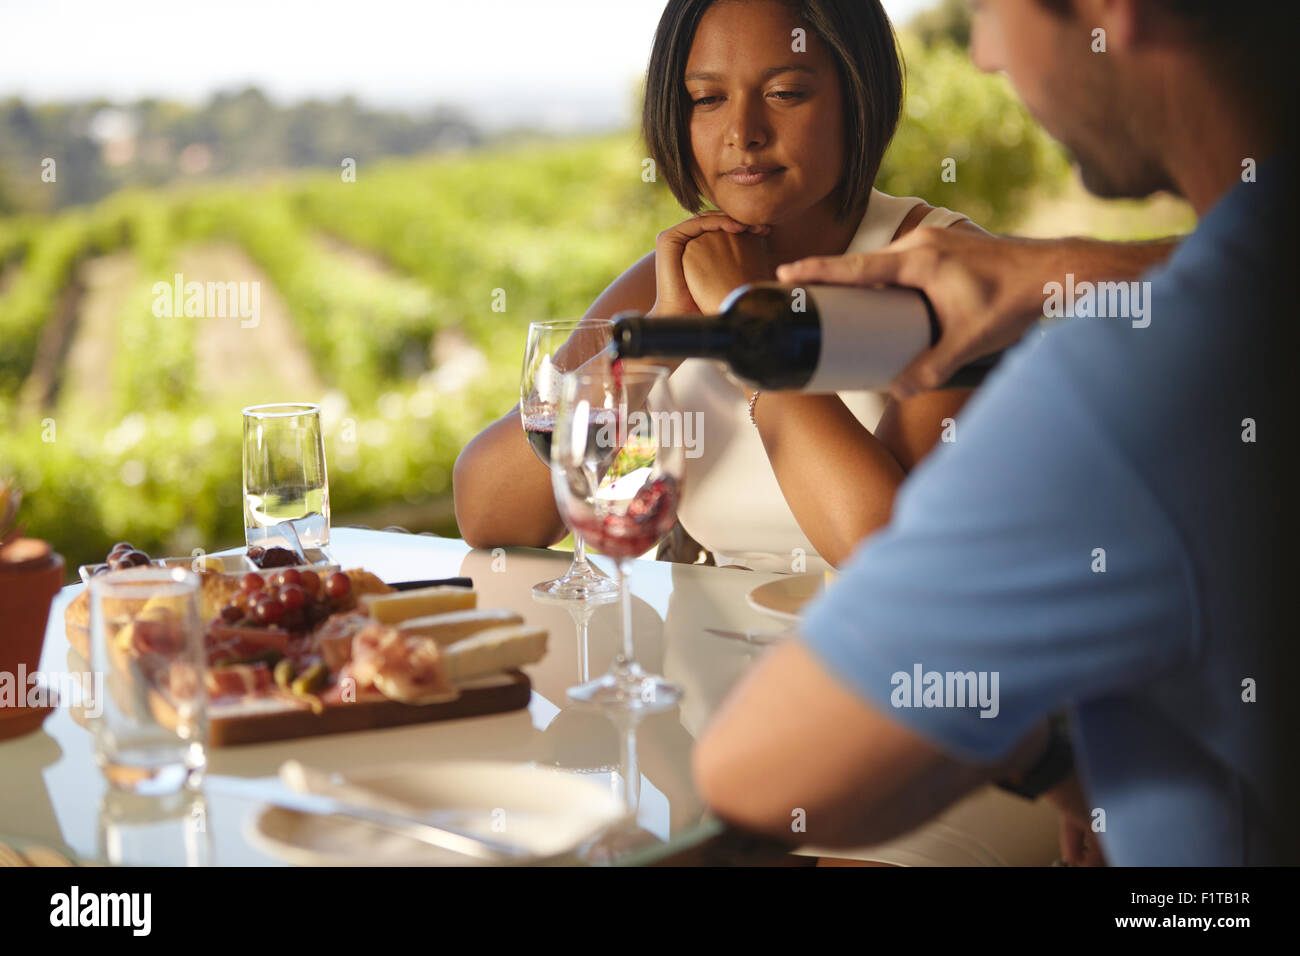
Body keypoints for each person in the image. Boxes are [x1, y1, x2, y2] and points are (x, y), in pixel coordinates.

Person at [693, 0, 1295, 865]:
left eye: (992, 8)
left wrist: (1041, 747)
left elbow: (757, 773)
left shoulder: (1124, 388)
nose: (982, 54)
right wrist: (1069, 270)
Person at [457, 0, 990, 573]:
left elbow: (883, 552)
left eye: (785, 93)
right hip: (715, 656)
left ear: (859, 96)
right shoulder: (675, 279)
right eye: (708, 99)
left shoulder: (952, 275)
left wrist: (754, 326)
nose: (743, 134)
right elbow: (489, 513)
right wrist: (655, 342)